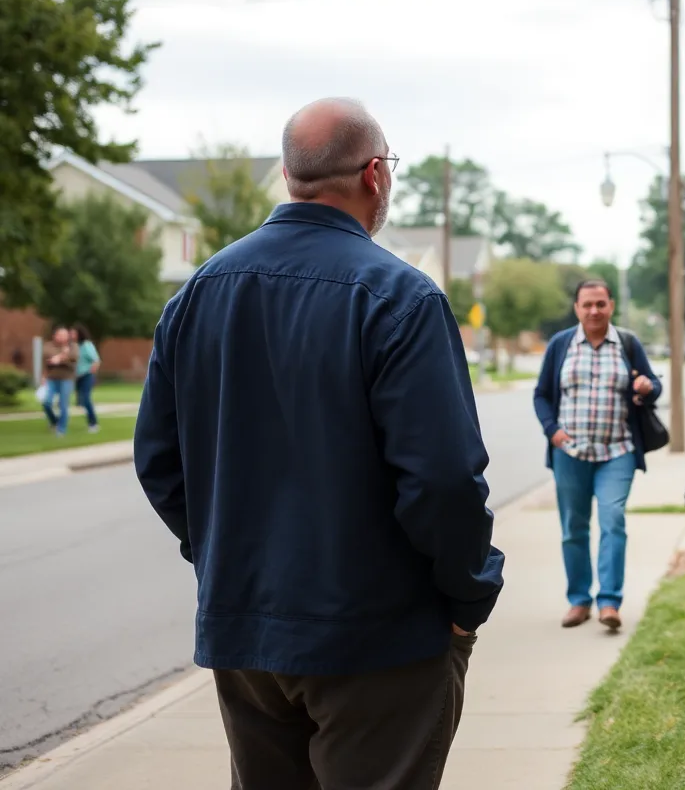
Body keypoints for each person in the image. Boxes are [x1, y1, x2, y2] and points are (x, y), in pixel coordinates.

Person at [134, 97, 505, 790]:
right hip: (378, 637)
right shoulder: (400, 298)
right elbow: (444, 480)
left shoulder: (198, 294)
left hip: (245, 634)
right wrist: (468, 598)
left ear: (287, 174)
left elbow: (159, 463)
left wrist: (221, 555)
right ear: (375, 175)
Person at [533, 279, 662, 631]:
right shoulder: (561, 345)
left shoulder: (628, 344)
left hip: (617, 451)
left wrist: (647, 388)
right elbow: (541, 394)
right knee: (573, 528)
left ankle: (609, 602)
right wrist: (553, 431)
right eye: (587, 304)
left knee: (612, 519)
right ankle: (578, 600)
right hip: (569, 452)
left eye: (600, 304)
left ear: (611, 306)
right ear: (577, 308)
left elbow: (652, 386)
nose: (594, 310)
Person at [40, 326, 78, 437]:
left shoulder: (73, 346)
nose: (62, 337)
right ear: (54, 336)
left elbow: (74, 358)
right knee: (46, 402)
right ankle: (54, 421)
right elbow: (47, 358)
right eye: (60, 335)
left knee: (63, 404)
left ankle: (61, 429)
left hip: (66, 379)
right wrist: (64, 356)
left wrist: (60, 358)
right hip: (51, 379)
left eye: (65, 335)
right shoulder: (48, 346)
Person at [71, 325, 101, 432]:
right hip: (78, 376)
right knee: (81, 400)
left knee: (86, 398)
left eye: (74, 333)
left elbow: (96, 360)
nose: (71, 335)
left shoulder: (86, 345)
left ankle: (93, 423)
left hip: (86, 375)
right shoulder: (75, 346)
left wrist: (91, 372)